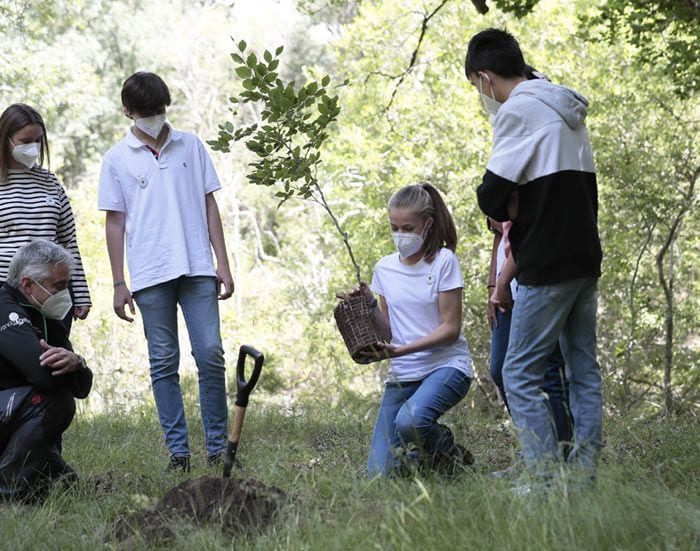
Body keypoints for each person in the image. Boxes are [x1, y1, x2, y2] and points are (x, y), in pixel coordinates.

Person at [465, 29, 603, 490]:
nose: (482, 97)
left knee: (517, 372)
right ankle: (583, 479)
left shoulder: (518, 111)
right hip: (584, 256)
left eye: (476, 87)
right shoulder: (566, 108)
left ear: (485, 77)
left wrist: (507, 203)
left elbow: (491, 194)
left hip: (545, 261)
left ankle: (543, 481)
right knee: (583, 368)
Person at [98, 72, 235, 472]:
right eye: (146, 112)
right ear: (128, 112)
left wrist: (222, 263)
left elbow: (210, 205)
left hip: (196, 267)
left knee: (210, 354)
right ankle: (179, 453)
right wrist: (118, 282)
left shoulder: (190, 146)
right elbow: (115, 223)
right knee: (163, 362)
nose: (154, 118)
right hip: (149, 273)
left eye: (159, 110)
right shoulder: (116, 159)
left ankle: (216, 447)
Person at [345, 183, 474, 477]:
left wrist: (403, 350)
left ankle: (446, 447)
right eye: (394, 227)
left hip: (446, 367)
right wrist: (368, 305)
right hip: (403, 375)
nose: (400, 235)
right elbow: (390, 331)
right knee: (378, 475)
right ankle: (434, 458)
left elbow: (451, 329)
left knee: (410, 421)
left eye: (408, 227)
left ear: (427, 225)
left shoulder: (444, 262)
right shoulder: (385, 269)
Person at [0, 240, 93, 502]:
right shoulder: (5, 308)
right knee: (56, 403)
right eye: (60, 286)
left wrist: (77, 362)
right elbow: (43, 376)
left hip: (11, 412)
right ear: (28, 284)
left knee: (71, 489)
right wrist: (69, 370)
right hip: (10, 408)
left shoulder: (44, 317)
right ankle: (6, 493)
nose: (67, 294)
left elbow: (82, 388)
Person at [486, 217, 572, 476]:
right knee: (500, 369)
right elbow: (500, 235)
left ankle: (558, 459)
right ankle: (534, 449)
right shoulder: (500, 180)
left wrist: (502, 282)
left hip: (534, 282)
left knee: (547, 372)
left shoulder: (537, 182)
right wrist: (494, 283)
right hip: (504, 289)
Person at [0, 103, 91, 334]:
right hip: (6, 293)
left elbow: (68, 241)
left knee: (54, 359)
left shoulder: (50, 182)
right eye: (25, 141)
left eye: (38, 140)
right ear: (6, 139)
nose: (33, 147)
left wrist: (80, 293)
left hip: (52, 293)